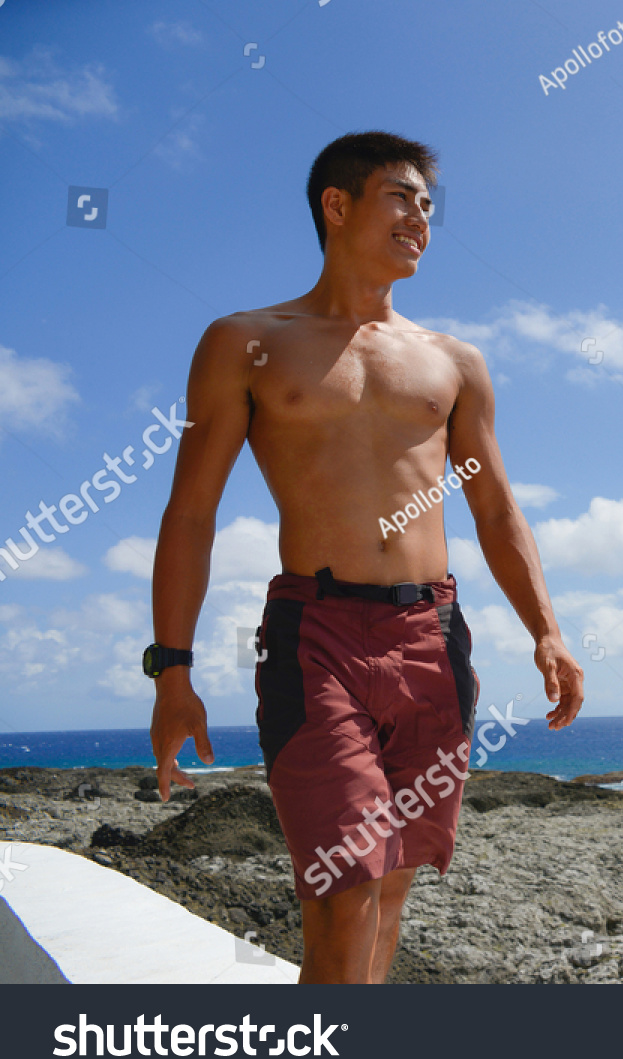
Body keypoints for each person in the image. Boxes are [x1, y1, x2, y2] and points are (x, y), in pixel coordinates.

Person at [145, 131, 584, 984]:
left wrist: (547, 631)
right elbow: (191, 512)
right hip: (316, 637)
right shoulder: (246, 341)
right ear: (336, 205)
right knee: (345, 889)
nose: (420, 217)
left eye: (428, 204)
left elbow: (494, 506)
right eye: (400, 197)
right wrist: (172, 670)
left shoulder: (455, 362)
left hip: (431, 637)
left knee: (391, 888)